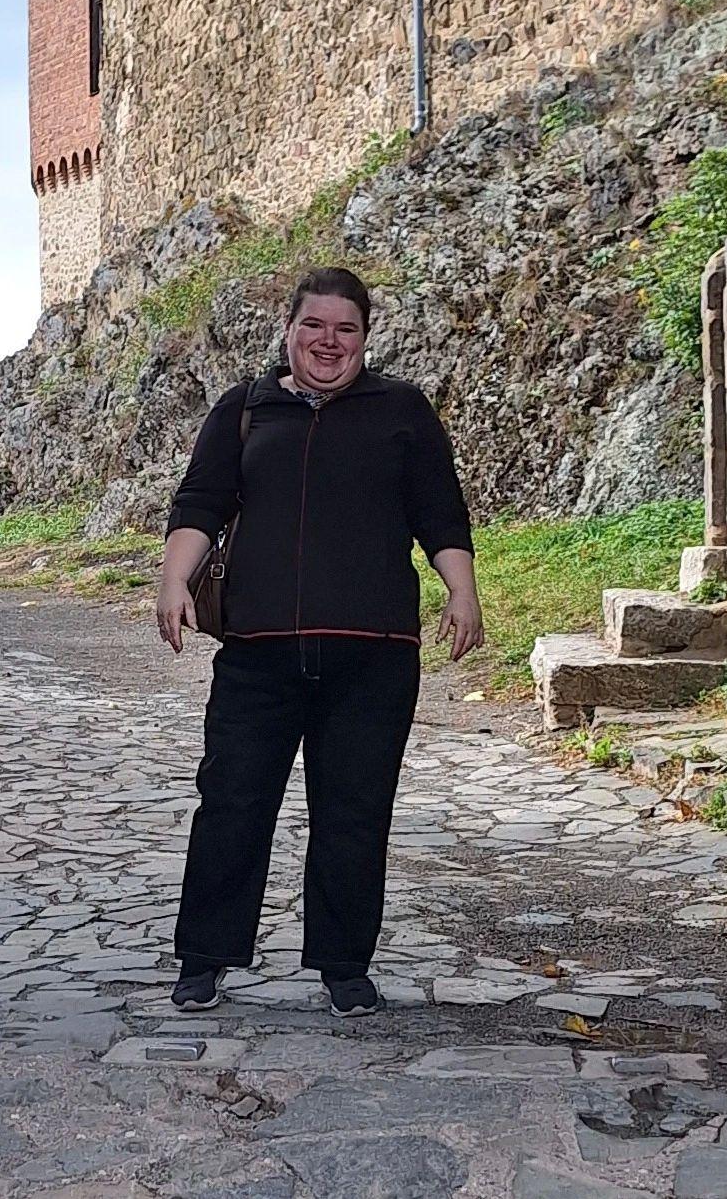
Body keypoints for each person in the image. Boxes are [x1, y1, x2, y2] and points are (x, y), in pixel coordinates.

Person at [155, 266, 484, 1018]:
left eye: (345, 328)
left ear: (365, 337)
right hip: (258, 650)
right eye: (314, 325)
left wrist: (461, 591)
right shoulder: (245, 408)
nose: (328, 341)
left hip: (373, 653)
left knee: (354, 812)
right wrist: (173, 582)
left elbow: (440, 510)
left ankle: (344, 966)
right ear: (288, 329)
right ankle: (204, 957)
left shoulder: (401, 409)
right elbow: (200, 502)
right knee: (232, 803)